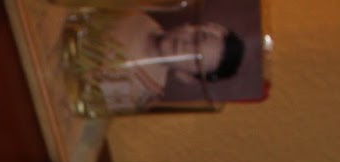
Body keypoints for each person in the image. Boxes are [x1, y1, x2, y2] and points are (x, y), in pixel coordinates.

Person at [64, 11, 246, 114]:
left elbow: (76, 101)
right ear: (191, 25)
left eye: (195, 60)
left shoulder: (140, 93)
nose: (186, 46)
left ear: (187, 76)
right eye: (199, 37)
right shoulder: (137, 15)